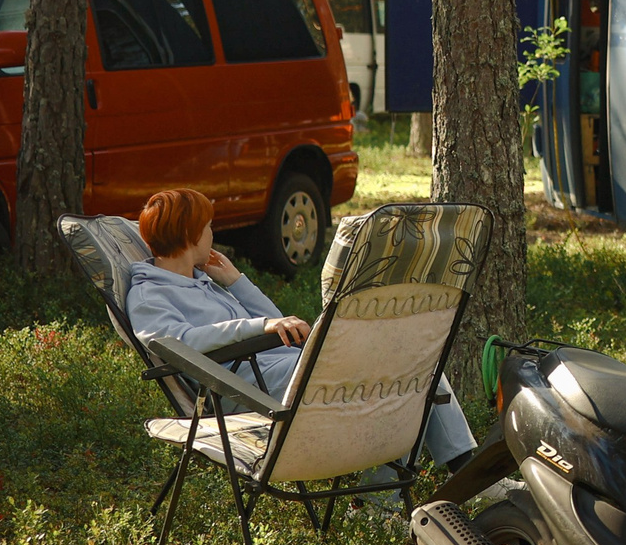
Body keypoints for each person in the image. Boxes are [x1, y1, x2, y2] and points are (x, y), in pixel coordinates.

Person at [125, 187, 475, 471]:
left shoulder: (204, 282)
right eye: (208, 226)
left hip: (278, 370)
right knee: (381, 369)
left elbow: (276, 326)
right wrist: (257, 326)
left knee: (409, 359)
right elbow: (176, 343)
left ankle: (462, 470)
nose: (212, 234)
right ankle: (458, 473)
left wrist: (236, 282)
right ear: (190, 234)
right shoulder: (148, 293)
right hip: (240, 390)